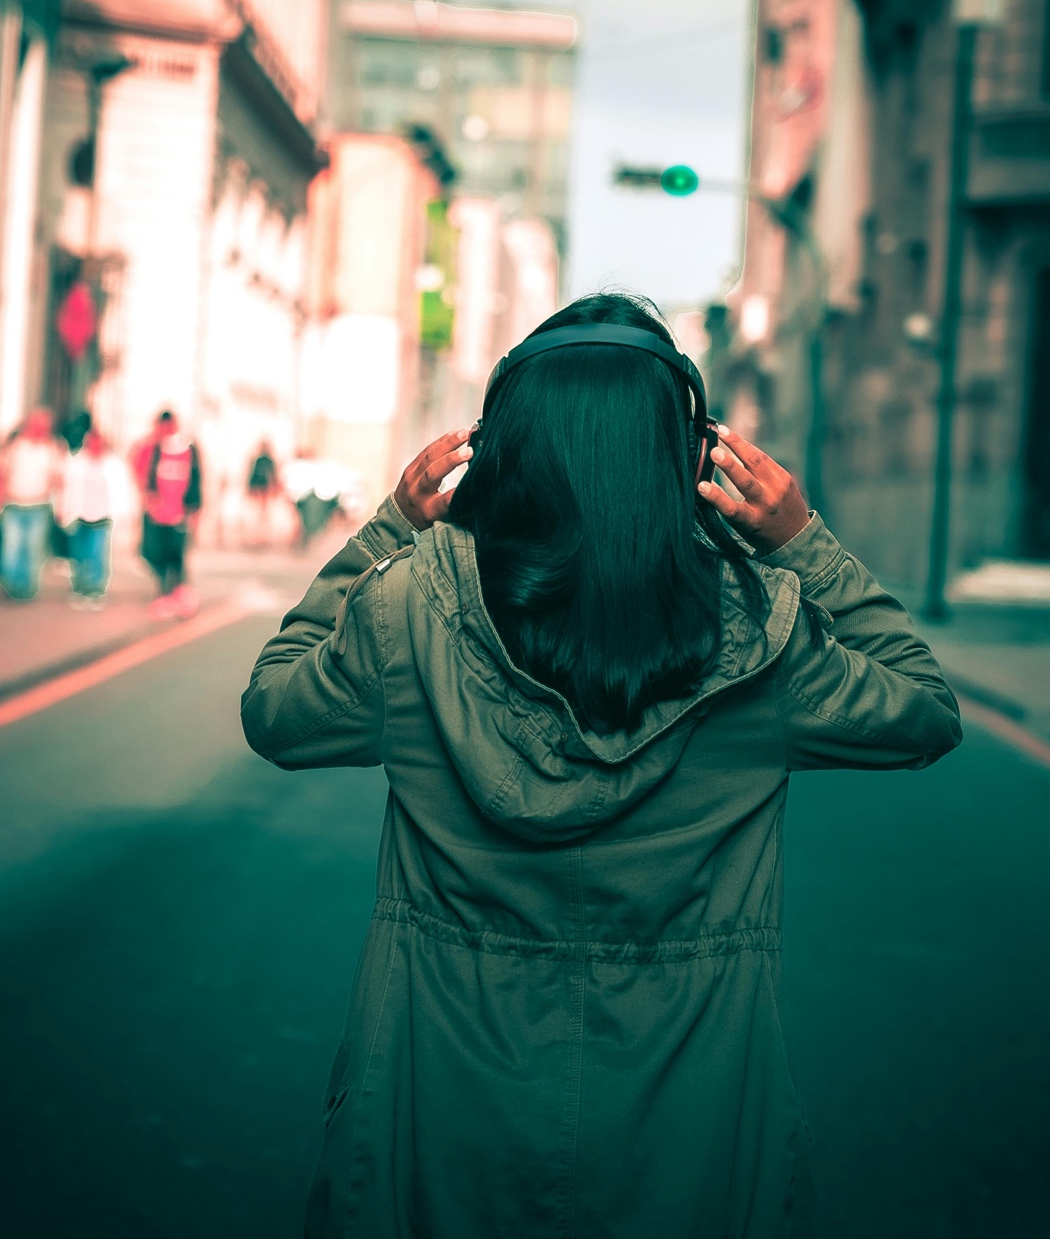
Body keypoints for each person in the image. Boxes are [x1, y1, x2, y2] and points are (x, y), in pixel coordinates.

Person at [241, 293, 962, 1236]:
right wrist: (802, 542)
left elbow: (275, 710)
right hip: (691, 1131)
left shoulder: (410, 608)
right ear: (690, 455)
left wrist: (388, 529)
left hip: (442, 1110)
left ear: (503, 448)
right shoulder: (764, 634)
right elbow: (923, 709)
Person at [130, 410, 203, 618]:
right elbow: (139, 472)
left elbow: (196, 480)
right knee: (150, 552)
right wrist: (148, 500)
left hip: (179, 515)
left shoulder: (188, 448)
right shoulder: (150, 447)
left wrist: (195, 512)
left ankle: (174, 595)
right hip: (155, 513)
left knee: (176, 556)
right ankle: (168, 591)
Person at [0, 408, 65, 601]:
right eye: (38, 425)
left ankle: (27, 589)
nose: (42, 429)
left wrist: (61, 507)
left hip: (39, 506)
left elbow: (59, 479)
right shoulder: (13, 445)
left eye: (45, 426)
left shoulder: (53, 448)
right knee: (12, 546)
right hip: (13, 505)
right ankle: (12, 586)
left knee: (33, 548)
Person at [60, 428, 118, 608]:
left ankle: (96, 590)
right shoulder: (75, 463)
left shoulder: (113, 465)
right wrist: (62, 509)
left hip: (102, 517)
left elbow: (122, 491)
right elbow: (65, 488)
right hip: (79, 515)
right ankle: (79, 588)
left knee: (97, 554)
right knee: (79, 555)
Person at [246, 441, 280, 547]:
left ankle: (261, 534)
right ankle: (259, 533)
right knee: (261, 511)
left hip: (263, 486)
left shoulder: (264, 460)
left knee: (263, 511)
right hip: (260, 486)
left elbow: (272, 474)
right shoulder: (261, 460)